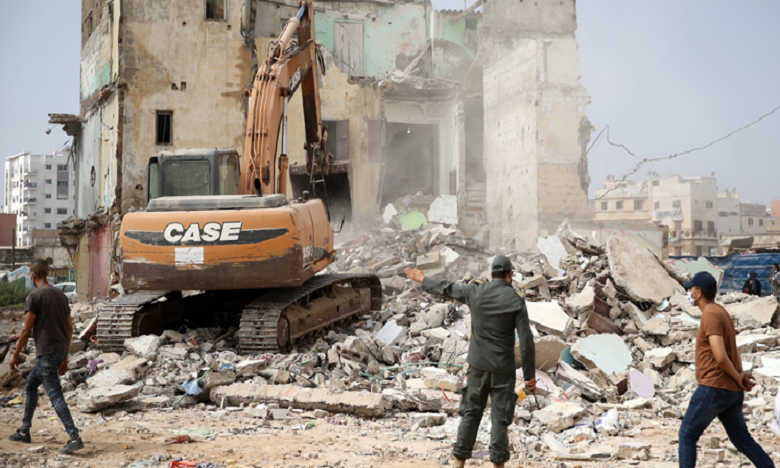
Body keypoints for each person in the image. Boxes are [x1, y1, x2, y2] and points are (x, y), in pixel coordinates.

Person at [406, 255, 535, 468]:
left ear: (491, 274)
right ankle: (498, 465)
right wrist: (530, 377)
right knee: (500, 419)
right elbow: (527, 341)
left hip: (477, 367)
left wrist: (423, 279)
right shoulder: (516, 299)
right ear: (510, 275)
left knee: (470, 414)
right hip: (503, 370)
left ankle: (458, 462)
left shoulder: (475, 292)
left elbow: (449, 288)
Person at [678, 271, 773, 468]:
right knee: (742, 440)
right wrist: (738, 376)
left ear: (699, 293)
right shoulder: (720, 312)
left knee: (687, 434)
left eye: (691, 289)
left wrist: (738, 376)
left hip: (714, 386)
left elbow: (720, 356)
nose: (689, 292)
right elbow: (730, 352)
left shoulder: (711, 315)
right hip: (729, 390)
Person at [8, 259, 84, 454]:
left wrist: (15, 355)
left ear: (32, 275)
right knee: (31, 383)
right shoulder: (60, 295)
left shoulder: (35, 296)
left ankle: (74, 437)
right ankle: (24, 431)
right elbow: (69, 328)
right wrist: (65, 356)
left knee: (55, 395)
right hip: (58, 350)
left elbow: (26, 330)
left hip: (47, 352)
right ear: (47, 274)